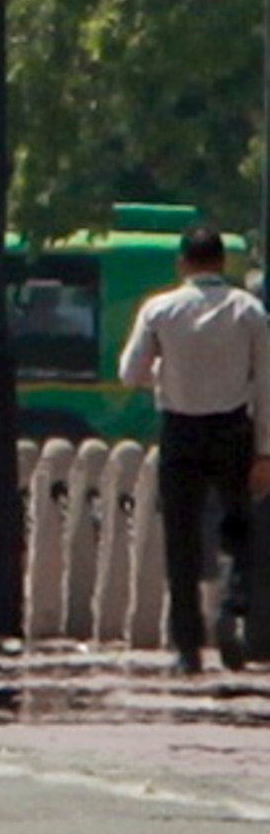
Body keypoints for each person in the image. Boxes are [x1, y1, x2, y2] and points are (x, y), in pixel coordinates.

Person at [122, 223, 270, 671]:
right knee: (239, 528)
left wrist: (163, 372)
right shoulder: (249, 311)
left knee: (182, 539)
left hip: (180, 431)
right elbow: (266, 385)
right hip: (232, 430)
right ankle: (232, 607)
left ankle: (188, 647)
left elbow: (130, 373)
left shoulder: (159, 310)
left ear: (182, 263)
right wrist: (265, 451)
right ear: (222, 263)